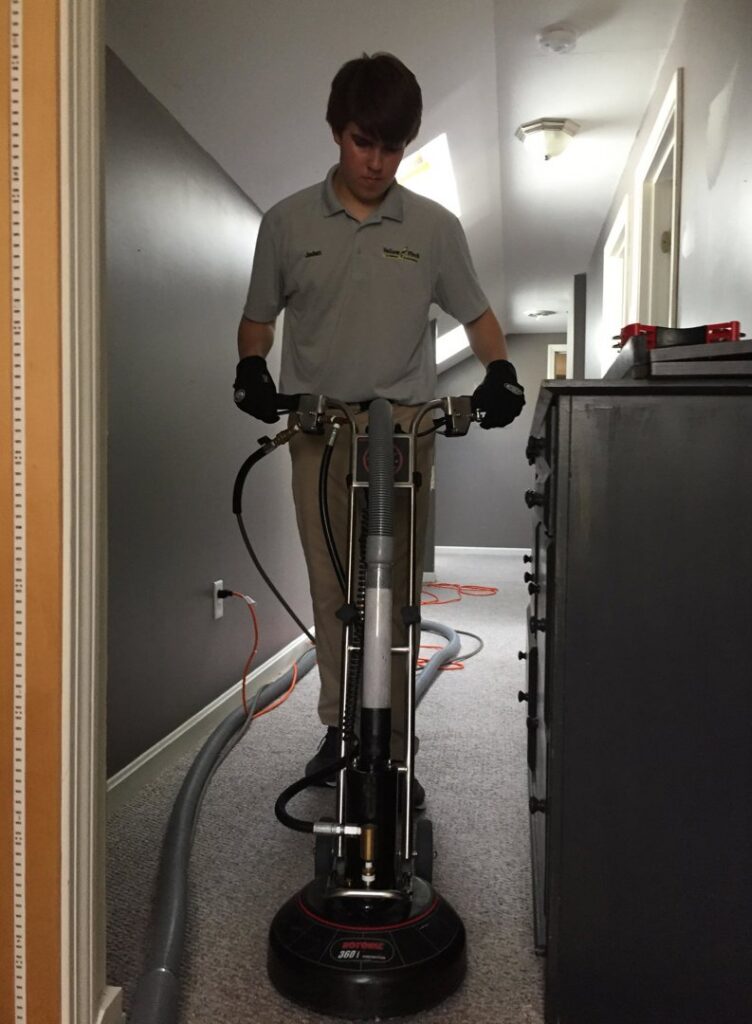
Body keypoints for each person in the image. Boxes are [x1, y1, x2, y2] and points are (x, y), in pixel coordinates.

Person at [234, 52, 524, 805]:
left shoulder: (433, 227)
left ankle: (393, 744)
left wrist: (500, 371)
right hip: (319, 431)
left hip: (407, 435)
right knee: (335, 589)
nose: (378, 161)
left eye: (393, 148)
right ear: (338, 131)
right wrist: (252, 368)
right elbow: (257, 320)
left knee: (392, 592)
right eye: (365, 142)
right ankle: (339, 726)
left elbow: (480, 318)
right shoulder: (287, 223)